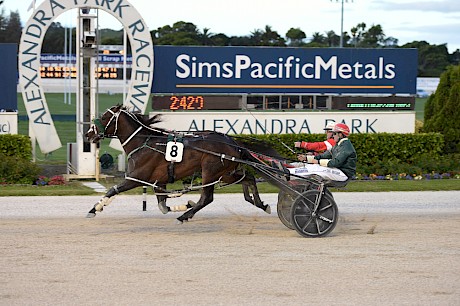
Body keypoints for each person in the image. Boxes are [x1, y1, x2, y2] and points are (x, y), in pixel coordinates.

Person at [288, 123, 357, 182]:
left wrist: (318, 162)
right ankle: (289, 172)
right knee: (313, 166)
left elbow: (335, 162)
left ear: (341, 135)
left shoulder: (346, 147)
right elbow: (324, 155)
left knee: (315, 169)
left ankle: (288, 174)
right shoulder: (338, 145)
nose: (333, 136)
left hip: (343, 174)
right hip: (338, 171)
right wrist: (307, 158)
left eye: (334, 133)